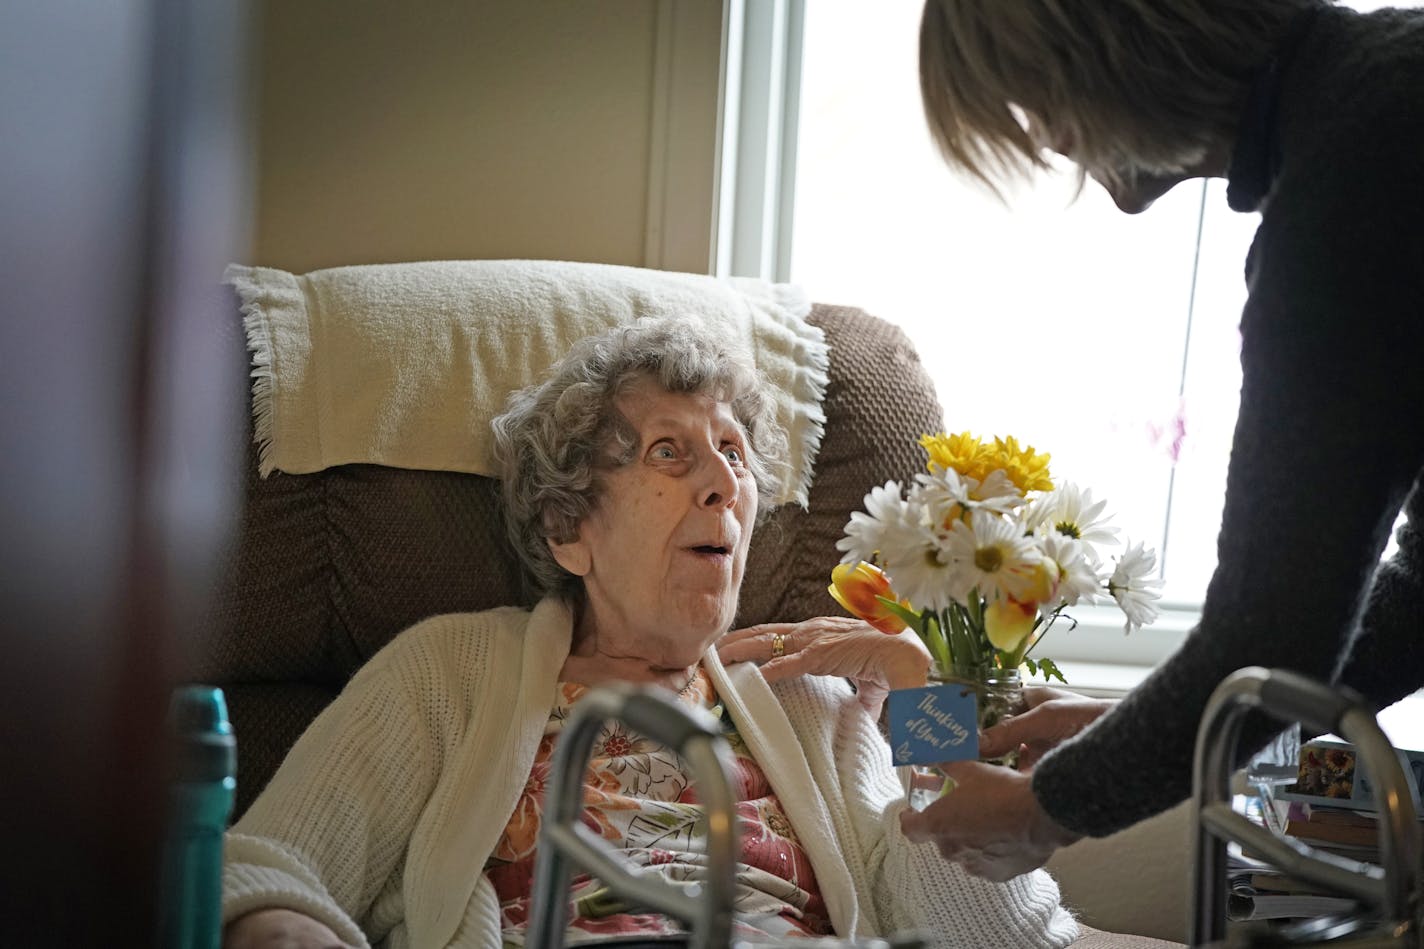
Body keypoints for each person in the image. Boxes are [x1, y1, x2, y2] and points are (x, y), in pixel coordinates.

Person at [219, 318, 1081, 948]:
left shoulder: (814, 699)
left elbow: (1010, 931)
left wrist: (919, 681)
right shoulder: (449, 670)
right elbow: (261, 866)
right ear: (568, 528)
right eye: (670, 452)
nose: (721, 481)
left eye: (735, 452)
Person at [902, 0, 1424, 881]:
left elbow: (1272, 639)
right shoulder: (1380, 89)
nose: (1052, 149)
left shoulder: (1356, 176)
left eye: (1036, 110)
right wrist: (1134, 721)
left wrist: (1045, 810)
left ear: (1104, 54)